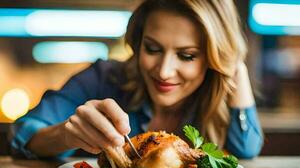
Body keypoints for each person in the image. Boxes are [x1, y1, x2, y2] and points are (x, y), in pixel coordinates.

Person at [11, 0, 263, 159]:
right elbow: (22, 134)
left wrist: (236, 67)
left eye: (186, 56)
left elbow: (246, 149)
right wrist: (65, 136)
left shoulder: (216, 86)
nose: (164, 71)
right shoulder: (103, 78)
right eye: (152, 49)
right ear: (137, 42)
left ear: (213, 58)